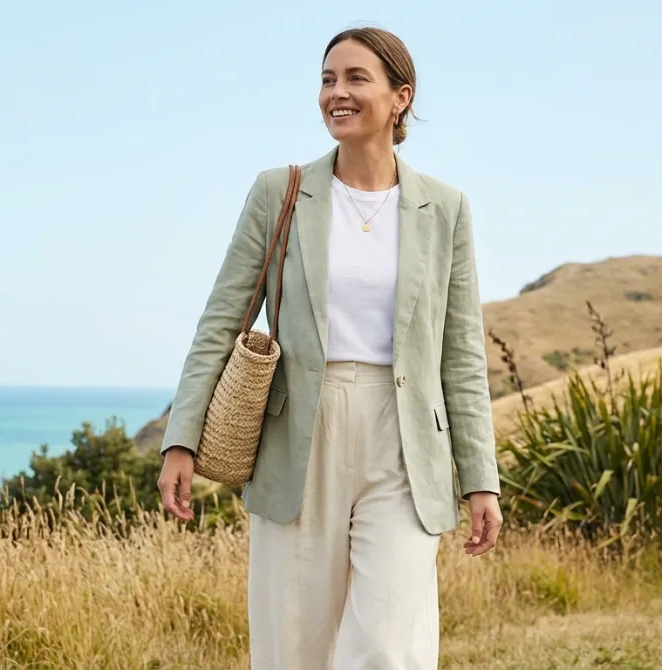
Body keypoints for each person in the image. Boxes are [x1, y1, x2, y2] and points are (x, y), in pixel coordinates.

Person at [157, 25, 502, 670]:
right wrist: (182, 439)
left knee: (391, 647)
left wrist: (480, 477)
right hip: (298, 434)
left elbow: (461, 354)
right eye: (327, 79)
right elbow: (221, 322)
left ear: (401, 97)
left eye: (355, 79)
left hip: (405, 441)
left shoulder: (446, 209)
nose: (336, 93)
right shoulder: (279, 193)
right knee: (295, 644)